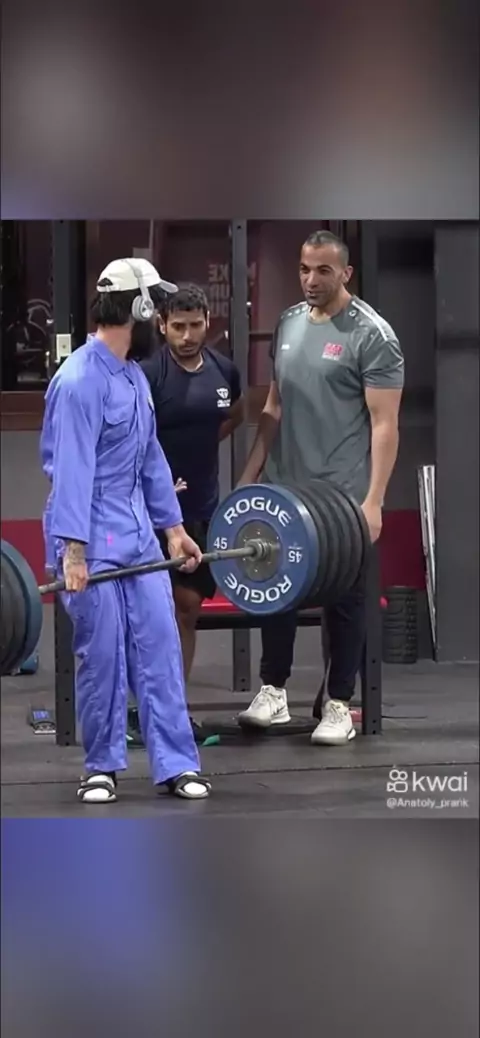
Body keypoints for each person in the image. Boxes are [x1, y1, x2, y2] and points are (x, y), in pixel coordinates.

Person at [40, 257, 212, 803]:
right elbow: (71, 471)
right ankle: (101, 767)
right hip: (91, 536)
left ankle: (178, 764)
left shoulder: (134, 377)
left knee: (160, 647)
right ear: (137, 308)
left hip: (137, 533)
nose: (161, 319)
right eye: (156, 307)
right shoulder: (79, 381)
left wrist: (174, 530)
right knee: (104, 656)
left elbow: (150, 458)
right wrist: (73, 552)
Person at [237, 229, 404, 745]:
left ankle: (338, 704)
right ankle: (273, 691)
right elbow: (274, 407)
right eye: (304, 269)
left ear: (346, 273)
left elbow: (385, 425)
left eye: (323, 270)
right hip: (287, 489)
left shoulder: (373, 335)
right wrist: (248, 477)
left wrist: (374, 500)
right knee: (275, 588)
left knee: (347, 600)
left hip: (343, 496)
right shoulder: (288, 322)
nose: (311, 279)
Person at [141, 283, 244, 680]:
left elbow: (234, 415)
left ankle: (175, 702)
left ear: (207, 322)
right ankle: (143, 699)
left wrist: (202, 445)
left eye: (195, 325)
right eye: (178, 326)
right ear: (161, 325)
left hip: (201, 508)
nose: (187, 336)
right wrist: (158, 483)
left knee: (187, 608)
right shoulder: (149, 375)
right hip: (151, 513)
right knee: (151, 613)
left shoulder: (224, 371)